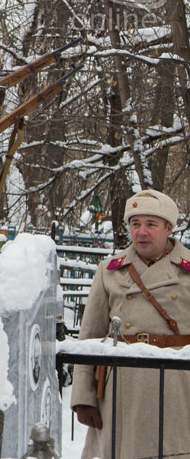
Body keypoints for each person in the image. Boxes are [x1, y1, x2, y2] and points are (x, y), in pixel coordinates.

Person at [71, 189, 190, 459]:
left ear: (168, 228)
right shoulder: (110, 270)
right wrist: (83, 398)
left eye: (151, 224)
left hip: (178, 390)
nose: (141, 232)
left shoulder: (188, 270)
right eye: (135, 224)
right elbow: (89, 337)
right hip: (119, 391)